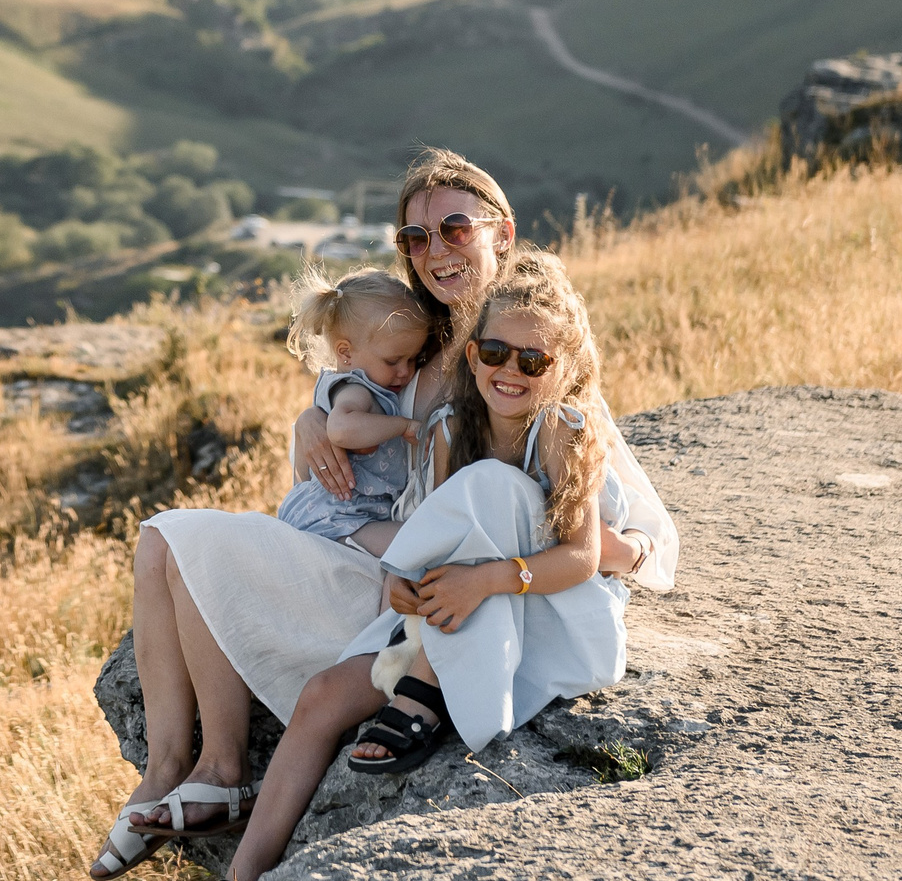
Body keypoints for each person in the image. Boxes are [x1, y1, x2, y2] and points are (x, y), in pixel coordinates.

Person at [88, 150, 519, 878]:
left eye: (453, 227)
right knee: (159, 538)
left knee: (193, 537)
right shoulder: (424, 334)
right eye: (415, 239)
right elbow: (356, 389)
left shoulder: (506, 341)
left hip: (390, 577)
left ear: (500, 232)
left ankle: (225, 767)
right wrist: (314, 416)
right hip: (359, 547)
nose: (435, 251)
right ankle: (170, 767)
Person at [226, 250, 671, 881]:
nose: (509, 371)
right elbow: (432, 538)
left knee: (496, 485)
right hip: (461, 606)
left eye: (534, 359)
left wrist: (485, 578)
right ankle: (244, 872)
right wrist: (406, 586)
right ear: (471, 354)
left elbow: (581, 558)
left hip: (552, 613)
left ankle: (428, 693)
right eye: (493, 352)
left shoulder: (563, 429)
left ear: (565, 366)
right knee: (323, 695)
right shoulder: (448, 430)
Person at [271, 267, 437, 556]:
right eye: (393, 360)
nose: (405, 372)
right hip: (340, 518)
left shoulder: (356, 381)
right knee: (422, 545)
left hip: (340, 514)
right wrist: (403, 426)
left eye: (413, 359)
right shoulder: (356, 389)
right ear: (345, 353)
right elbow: (340, 429)